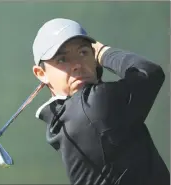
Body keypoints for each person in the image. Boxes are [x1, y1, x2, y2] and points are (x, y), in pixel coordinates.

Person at [32, 18, 170, 185]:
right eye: (62, 59)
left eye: (83, 52)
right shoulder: (95, 105)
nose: (77, 65)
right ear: (41, 73)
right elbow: (148, 72)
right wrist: (104, 52)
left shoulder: (59, 120)